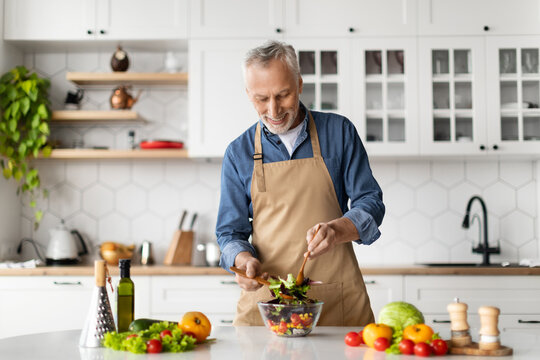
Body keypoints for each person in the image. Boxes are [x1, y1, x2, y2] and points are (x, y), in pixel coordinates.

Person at [216, 40, 385, 326]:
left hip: (336, 302)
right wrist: (243, 262)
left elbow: (371, 202)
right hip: (268, 304)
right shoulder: (238, 152)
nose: (273, 110)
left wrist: (337, 230)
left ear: (299, 84)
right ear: (248, 94)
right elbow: (230, 232)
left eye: (283, 95)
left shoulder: (340, 132)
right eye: (261, 99)